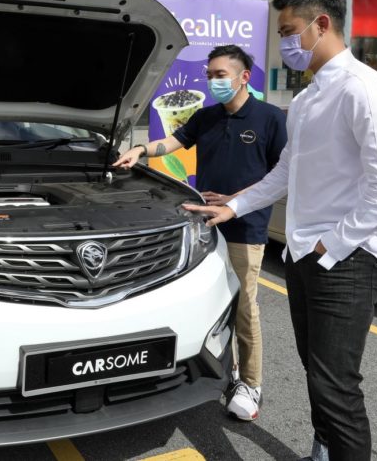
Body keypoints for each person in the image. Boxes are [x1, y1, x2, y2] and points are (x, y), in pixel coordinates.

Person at [184, 0, 377, 461]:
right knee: (317, 374)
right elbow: (285, 172)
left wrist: (333, 243)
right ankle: (323, 450)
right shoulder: (309, 98)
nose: (285, 43)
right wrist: (233, 206)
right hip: (305, 254)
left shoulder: (362, 89)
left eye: (289, 31)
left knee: (337, 387)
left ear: (321, 24)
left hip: (346, 259)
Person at [114, 44, 286, 422]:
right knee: (210, 303)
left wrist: (236, 200)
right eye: (209, 75)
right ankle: (221, 369)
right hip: (203, 227)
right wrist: (140, 150)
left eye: (220, 75)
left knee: (244, 308)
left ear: (243, 77)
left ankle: (251, 383)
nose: (213, 81)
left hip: (245, 228)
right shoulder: (206, 116)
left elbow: (280, 176)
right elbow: (172, 141)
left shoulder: (271, 119)